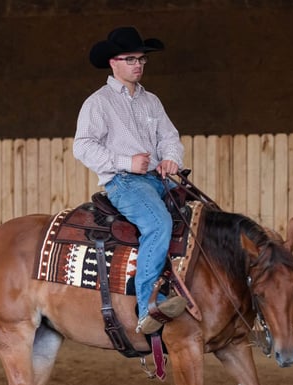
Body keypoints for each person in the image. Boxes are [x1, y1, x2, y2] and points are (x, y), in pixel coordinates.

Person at [73, 26, 187, 335]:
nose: (137, 65)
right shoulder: (99, 103)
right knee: (158, 223)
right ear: (113, 63)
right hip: (124, 183)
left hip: (158, 178)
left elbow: (170, 138)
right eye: (130, 59)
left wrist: (170, 157)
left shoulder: (152, 102)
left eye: (141, 59)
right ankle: (148, 305)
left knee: (200, 216)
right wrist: (126, 162)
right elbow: (82, 145)